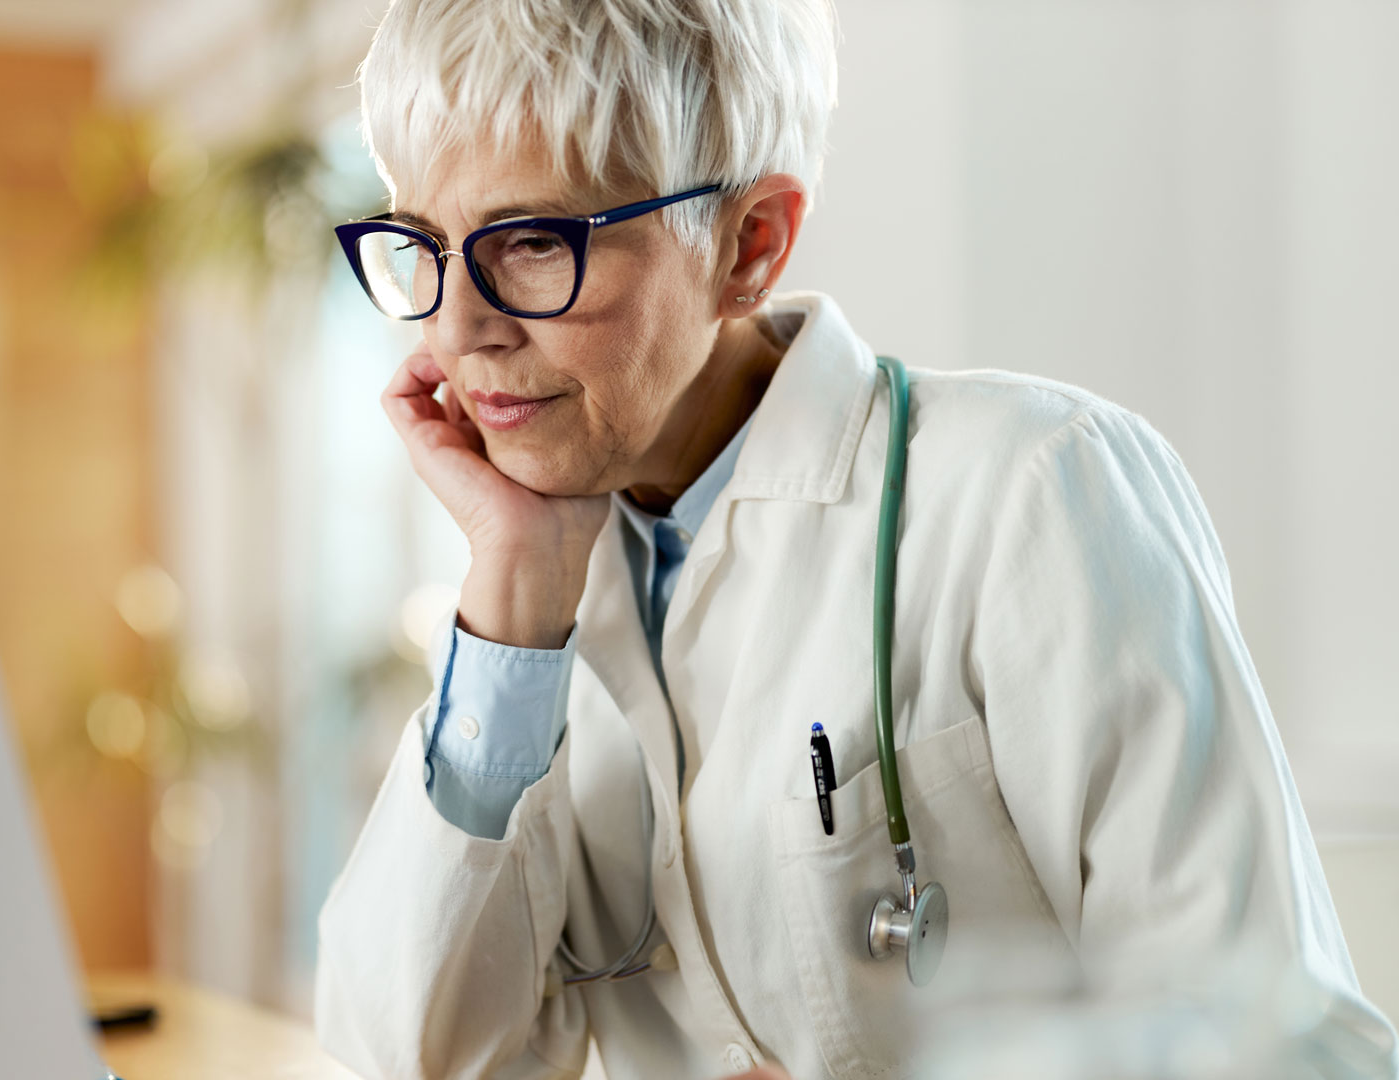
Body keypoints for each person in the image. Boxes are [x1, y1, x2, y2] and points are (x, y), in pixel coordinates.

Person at [312, 1, 1397, 1078]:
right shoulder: (538, 594)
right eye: (424, 247)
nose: (458, 328)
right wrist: (511, 596)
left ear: (751, 244)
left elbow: (1292, 1057)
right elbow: (403, 1060)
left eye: (534, 244)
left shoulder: (1031, 487)